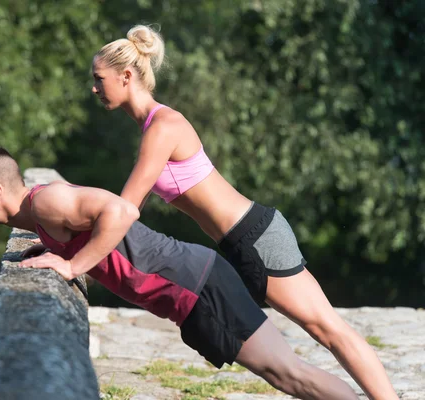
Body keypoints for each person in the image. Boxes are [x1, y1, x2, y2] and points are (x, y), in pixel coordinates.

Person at [90, 25, 397, 400]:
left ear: (125, 76)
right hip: (240, 243)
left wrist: (72, 254)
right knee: (304, 349)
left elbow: (126, 209)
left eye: (98, 78)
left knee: (328, 329)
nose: (94, 88)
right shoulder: (151, 128)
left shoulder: (163, 126)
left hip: (255, 236)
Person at [0, 146, 358, 400]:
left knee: (289, 374)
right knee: (286, 374)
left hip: (196, 284)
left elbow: (121, 211)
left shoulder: (47, 202)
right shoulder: (41, 215)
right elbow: (89, 229)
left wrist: (72, 265)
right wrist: (59, 248)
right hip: (195, 283)